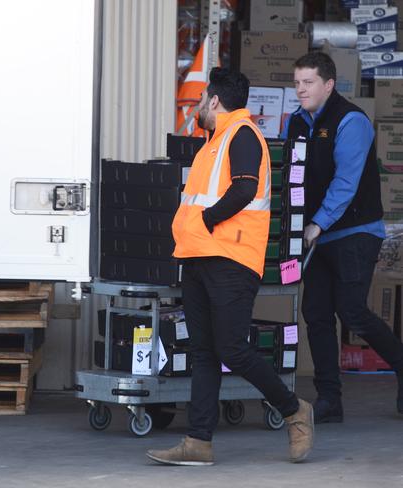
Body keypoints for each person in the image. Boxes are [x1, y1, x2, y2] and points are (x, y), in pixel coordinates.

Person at [146, 68, 314, 466]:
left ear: (215, 101)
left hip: (231, 259)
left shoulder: (241, 135)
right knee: (204, 352)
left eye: (203, 99)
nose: (199, 106)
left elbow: (244, 188)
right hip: (201, 256)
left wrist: (206, 220)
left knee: (233, 350)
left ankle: (295, 412)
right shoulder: (215, 142)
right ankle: (198, 441)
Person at [283, 52, 403, 423]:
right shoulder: (296, 122)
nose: (300, 89)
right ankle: (329, 400)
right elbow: (292, 176)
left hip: (354, 231)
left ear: (329, 84)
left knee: (351, 311)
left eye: (308, 82)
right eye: (297, 82)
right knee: (316, 313)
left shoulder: (352, 120)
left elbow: (346, 182)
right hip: (316, 235)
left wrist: (317, 224)